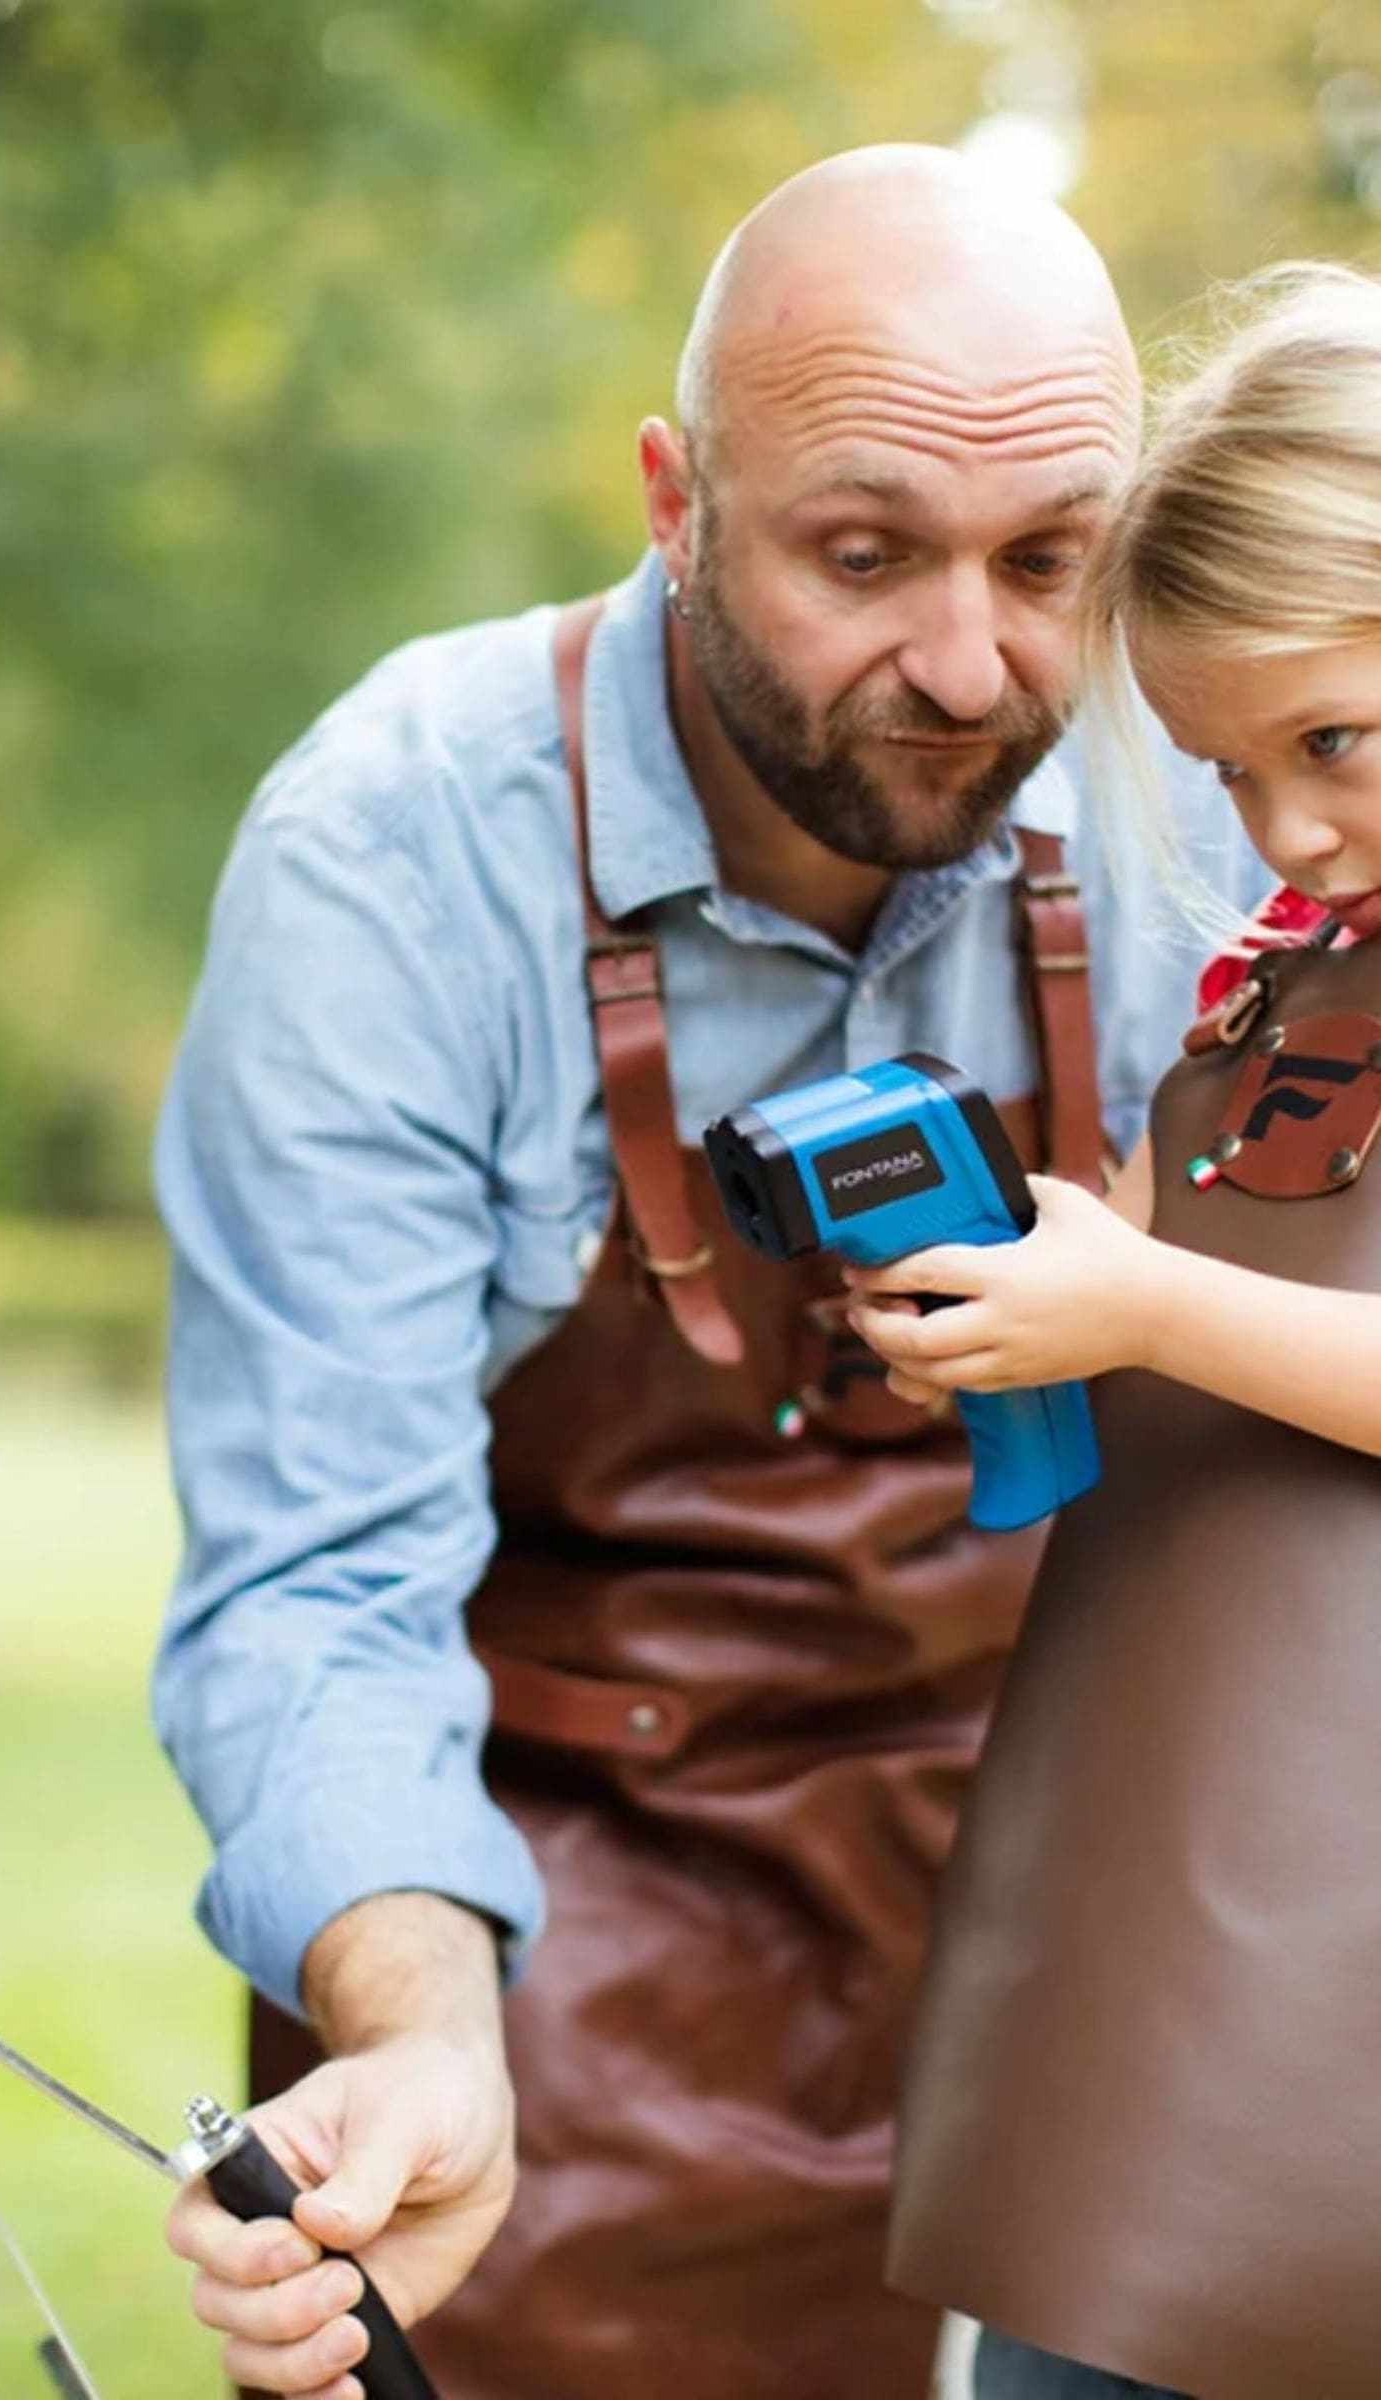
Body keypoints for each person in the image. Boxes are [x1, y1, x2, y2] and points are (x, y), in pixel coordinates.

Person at [150, 143, 1268, 2400]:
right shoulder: (390, 854)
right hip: (567, 1899)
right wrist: (421, 2028)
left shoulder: (1221, 780)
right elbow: (321, 1578)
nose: (972, 667)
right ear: (676, 498)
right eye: (864, 557)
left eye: (1052, 560)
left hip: (1104, 1866)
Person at [867, 262, 1381, 2400]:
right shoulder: (1297, 966)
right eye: (1225, 770)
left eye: (1337, 741)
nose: (1285, 830)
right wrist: (1061, 1295)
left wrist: (1154, 1293)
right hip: (1183, 1887)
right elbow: (1223, 1296)